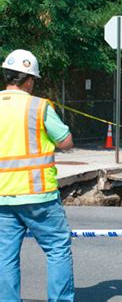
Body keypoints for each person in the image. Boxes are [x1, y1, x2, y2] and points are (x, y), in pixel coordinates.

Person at [0, 50, 75, 301]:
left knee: (5, 256)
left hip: (2, 196)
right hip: (38, 195)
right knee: (57, 249)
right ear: (29, 80)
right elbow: (65, 142)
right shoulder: (39, 106)